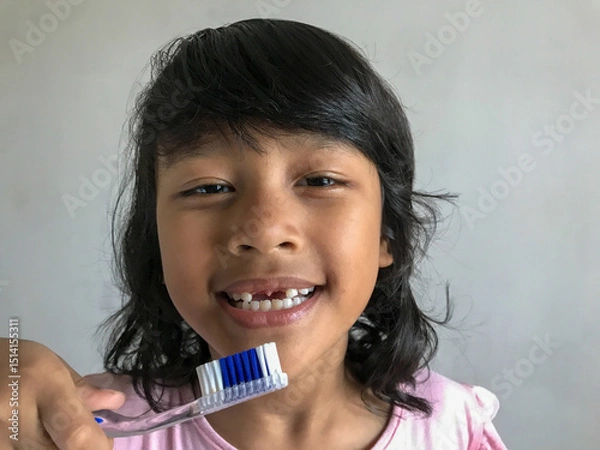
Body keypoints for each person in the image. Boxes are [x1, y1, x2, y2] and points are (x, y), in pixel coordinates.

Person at [0, 18, 507, 449]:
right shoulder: (92, 431)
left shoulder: (453, 428)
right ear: (155, 242)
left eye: (320, 181)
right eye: (209, 188)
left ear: (387, 234)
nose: (263, 231)